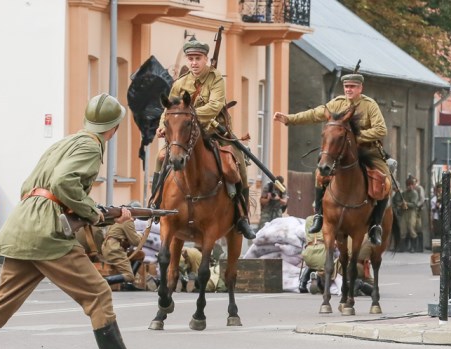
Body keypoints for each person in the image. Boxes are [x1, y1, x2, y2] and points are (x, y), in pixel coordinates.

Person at [0, 93, 167, 349]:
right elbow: (63, 183)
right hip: (47, 232)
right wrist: (92, 212)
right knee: (98, 294)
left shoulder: (64, 142)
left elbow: (31, 186)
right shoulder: (90, 146)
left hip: (23, 226)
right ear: (113, 128)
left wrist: (97, 212)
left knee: (1, 304)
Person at [153, 37, 255, 240]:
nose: (193, 63)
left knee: (236, 163)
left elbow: (214, 106)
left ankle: (242, 215)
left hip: (214, 132)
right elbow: (169, 109)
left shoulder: (216, 78)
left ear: (206, 59)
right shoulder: (181, 83)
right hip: (184, 136)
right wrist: (161, 126)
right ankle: (155, 201)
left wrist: (189, 117)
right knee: (161, 156)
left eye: (197, 58)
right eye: (190, 58)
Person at [273, 71, 389, 246]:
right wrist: (289, 119)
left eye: (352, 87)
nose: (349, 90)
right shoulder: (337, 103)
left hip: (367, 151)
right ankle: (319, 215)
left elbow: (381, 130)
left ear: (360, 88)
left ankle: (375, 225)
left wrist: (354, 137)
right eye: (346, 86)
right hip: (341, 153)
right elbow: (314, 114)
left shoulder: (369, 105)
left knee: (384, 180)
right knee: (320, 174)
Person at [101, 201, 143, 288]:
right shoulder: (127, 220)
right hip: (114, 249)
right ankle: (102, 282)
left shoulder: (119, 216)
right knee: (129, 275)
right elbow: (135, 242)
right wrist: (140, 235)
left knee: (140, 255)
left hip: (109, 247)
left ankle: (130, 283)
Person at [393, 178, 419, 253]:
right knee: (402, 229)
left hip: (412, 212)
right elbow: (397, 201)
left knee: (411, 228)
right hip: (404, 212)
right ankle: (402, 247)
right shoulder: (403, 193)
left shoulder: (414, 193)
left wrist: (406, 203)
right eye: (408, 185)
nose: (409, 186)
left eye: (411, 185)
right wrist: (401, 203)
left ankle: (413, 247)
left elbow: (414, 204)